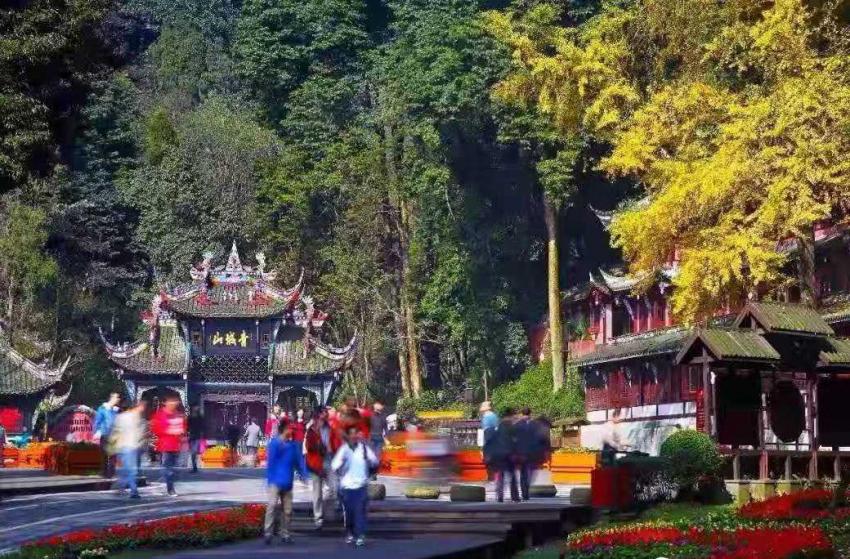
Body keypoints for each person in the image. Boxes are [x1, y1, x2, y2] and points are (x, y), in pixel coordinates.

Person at [332, 424, 378, 547]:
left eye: (355, 433)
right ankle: (350, 532)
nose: (353, 436)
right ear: (348, 436)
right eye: (351, 434)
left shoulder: (364, 449)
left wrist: (369, 461)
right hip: (347, 487)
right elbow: (334, 465)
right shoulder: (344, 449)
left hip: (361, 485)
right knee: (349, 513)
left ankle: (360, 535)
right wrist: (342, 464)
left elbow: (374, 461)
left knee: (360, 511)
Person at [264, 421, 308, 545]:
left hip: (287, 482)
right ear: (283, 430)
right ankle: (268, 533)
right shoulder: (274, 444)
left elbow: (299, 462)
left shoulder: (293, 446)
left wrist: (304, 475)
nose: (292, 431)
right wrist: (269, 480)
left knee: (287, 510)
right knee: (272, 506)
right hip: (275, 481)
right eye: (290, 429)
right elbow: (271, 463)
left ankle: (286, 534)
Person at [304, 407, 341, 529]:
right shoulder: (312, 429)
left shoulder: (330, 428)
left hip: (329, 460)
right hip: (316, 463)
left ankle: (327, 512)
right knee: (317, 492)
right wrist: (320, 446)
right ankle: (318, 517)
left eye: (326, 413)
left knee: (334, 488)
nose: (326, 415)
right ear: (318, 415)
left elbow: (335, 444)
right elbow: (309, 446)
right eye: (324, 413)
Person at [112, 401, 147, 498]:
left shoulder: (119, 417)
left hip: (121, 446)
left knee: (123, 469)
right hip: (130, 447)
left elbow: (115, 433)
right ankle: (133, 491)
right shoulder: (134, 418)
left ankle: (121, 488)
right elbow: (139, 434)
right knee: (131, 470)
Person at [151, 396, 186, 496]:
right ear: (166, 403)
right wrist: (170, 431)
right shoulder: (160, 415)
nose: (174, 404)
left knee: (174, 468)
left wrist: (181, 433)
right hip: (165, 445)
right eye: (172, 402)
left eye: (175, 402)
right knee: (168, 468)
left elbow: (183, 427)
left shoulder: (178, 415)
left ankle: (168, 479)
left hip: (176, 445)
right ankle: (170, 489)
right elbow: (156, 429)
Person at [488, 407, 519, 503]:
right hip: (509, 454)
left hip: (498, 454)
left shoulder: (498, 426)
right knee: (512, 476)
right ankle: (515, 497)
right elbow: (515, 441)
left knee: (500, 475)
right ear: (511, 415)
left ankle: (500, 496)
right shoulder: (512, 427)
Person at [93, 392, 121, 478]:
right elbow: (97, 422)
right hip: (105, 434)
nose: (118, 399)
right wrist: (97, 432)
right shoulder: (102, 408)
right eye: (117, 397)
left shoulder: (116, 410)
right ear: (111, 398)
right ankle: (103, 472)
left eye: (118, 398)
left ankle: (111, 473)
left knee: (113, 455)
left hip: (114, 435)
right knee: (104, 454)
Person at [513, 407, 535, 501]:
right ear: (530, 414)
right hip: (529, 452)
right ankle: (526, 494)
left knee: (522, 473)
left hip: (519, 452)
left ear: (522, 414)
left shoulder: (516, 425)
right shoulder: (533, 425)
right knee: (527, 474)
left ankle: (523, 494)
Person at [368, 402, 388, 466]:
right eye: (377, 409)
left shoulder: (383, 417)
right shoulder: (370, 416)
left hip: (379, 437)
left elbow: (385, 427)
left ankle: (376, 465)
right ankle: (372, 465)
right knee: (372, 452)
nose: (379, 411)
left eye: (380, 410)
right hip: (371, 437)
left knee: (378, 453)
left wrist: (386, 436)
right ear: (374, 409)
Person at [187, 406, 204, 473]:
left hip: (196, 436)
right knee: (193, 452)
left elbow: (202, 427)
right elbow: (187, 427)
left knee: (194, 452)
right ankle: (194, 466)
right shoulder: (191, 417)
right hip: (193, 437)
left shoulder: (198, 417)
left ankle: (195, 466)